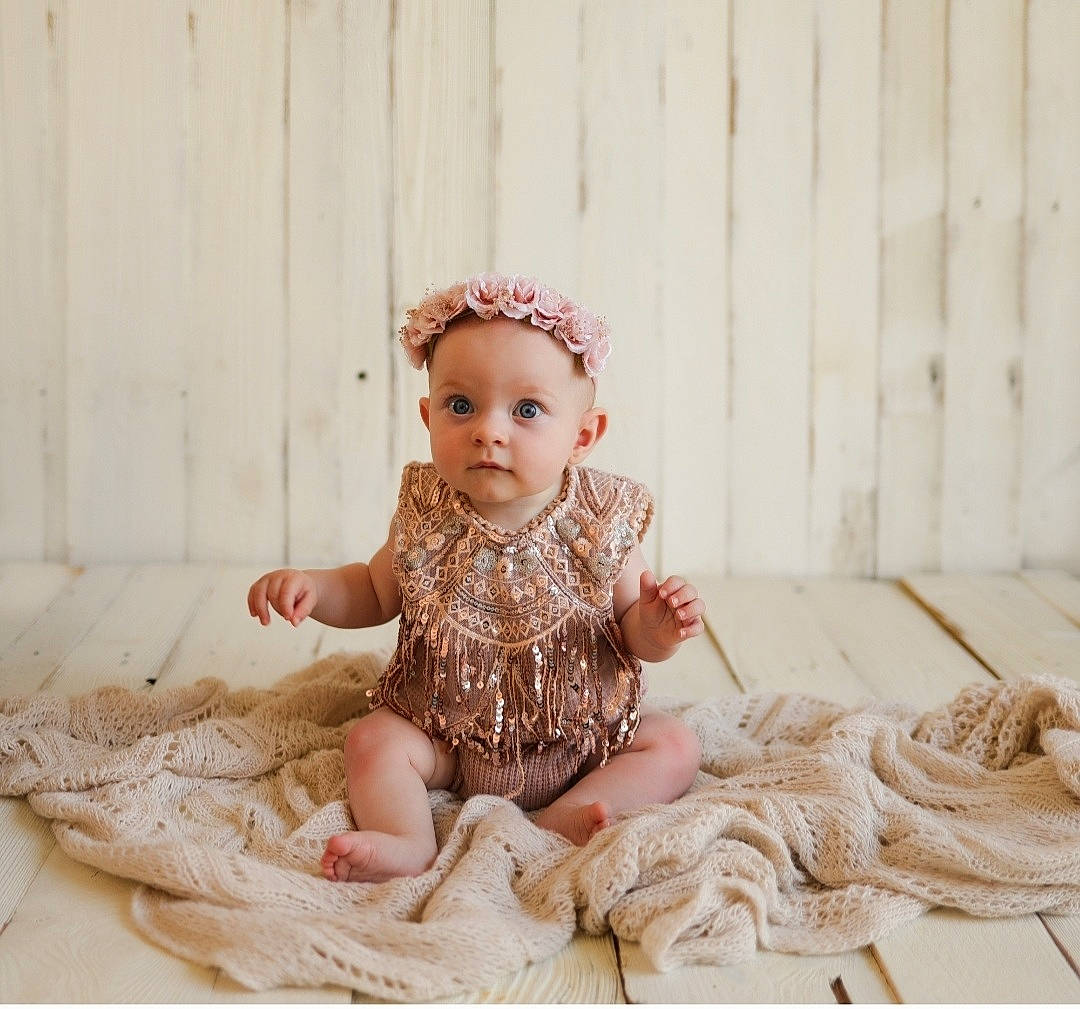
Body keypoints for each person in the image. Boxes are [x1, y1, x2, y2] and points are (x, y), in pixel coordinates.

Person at [247, 272, 706, 883]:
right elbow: (375, 590)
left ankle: (571, 811)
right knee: (372, 742)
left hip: (586, 739)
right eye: (460, 406)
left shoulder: (600, 521)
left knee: (675, 745)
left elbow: (634, 634)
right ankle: (406, 837)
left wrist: (657, 628)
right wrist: (315, 587)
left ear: (584, 435)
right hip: (448, 737)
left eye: (527, 410)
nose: (489, 429)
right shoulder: (428, 512)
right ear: (427, 415)